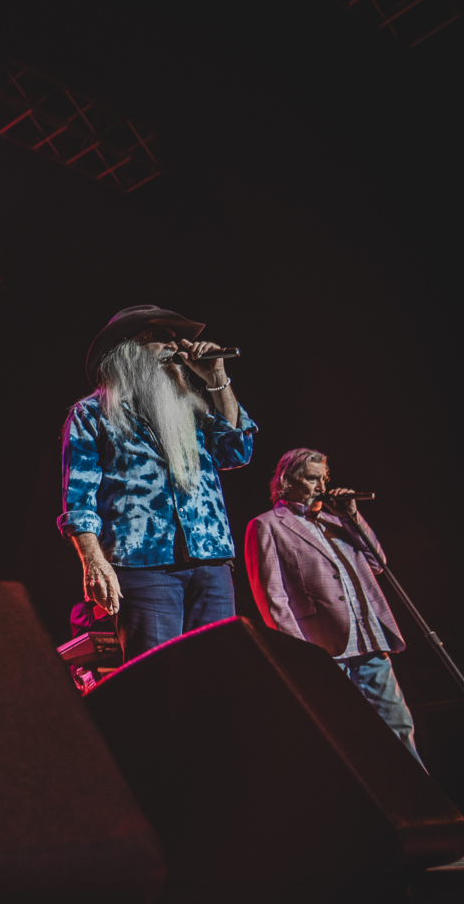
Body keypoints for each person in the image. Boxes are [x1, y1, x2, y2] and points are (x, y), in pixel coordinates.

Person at [59, 304, 258, 663]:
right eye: (159, 337)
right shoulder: (91, 414)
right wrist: (94, 561)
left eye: (174, 336)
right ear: (127, 350)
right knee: (158, 674)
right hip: (143, 565)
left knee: (219, 670)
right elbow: (80, 498)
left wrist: (217, 378)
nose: (176, 345)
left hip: (210, 561)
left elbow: (237, 449)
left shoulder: (193, 408)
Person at [244, 449, 422, 762]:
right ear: (287, 480)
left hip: (368, 639)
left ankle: (419, 805)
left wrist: (352, 516)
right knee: (343, 737)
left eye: (324, 478)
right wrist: (300, 656)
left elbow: (377, 563)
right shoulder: (267, 525)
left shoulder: (335, 520)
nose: (321, 486)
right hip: (323, 648)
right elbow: (273, 599)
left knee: (399, 726)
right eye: (312, 478)